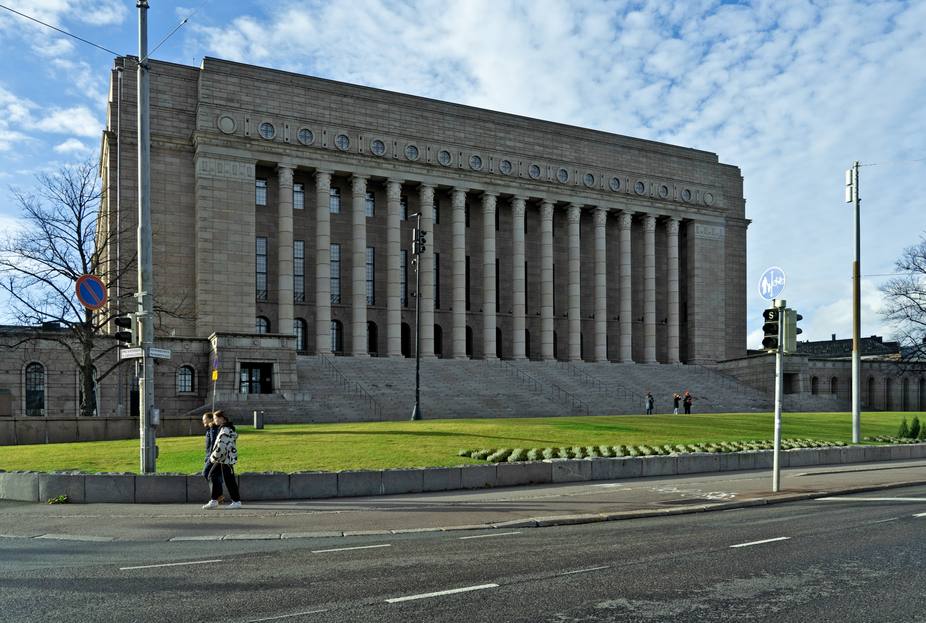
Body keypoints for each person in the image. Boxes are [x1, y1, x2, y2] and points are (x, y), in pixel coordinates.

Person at [203, 410, 241, 510]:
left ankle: (235, 501)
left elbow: (221, 447)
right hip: (224, 459)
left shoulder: (225, 430)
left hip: (224, 459)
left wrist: (212, 458)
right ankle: (216, 500)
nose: (214, 420)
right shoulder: (225, 428)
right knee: (222, 478)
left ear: (221, 419)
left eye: (216, 418)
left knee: (226, 479)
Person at [201, 412, 223, 503]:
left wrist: (210, 457)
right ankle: (219, 496)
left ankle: (216, 497)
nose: (203, 421)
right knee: (216, 476)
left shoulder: (213, 429)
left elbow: (214, 444)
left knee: (206, 473)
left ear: (211, 419)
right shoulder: (211, 429)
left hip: (213, 457)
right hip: (211, 456)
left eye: (204, 419)